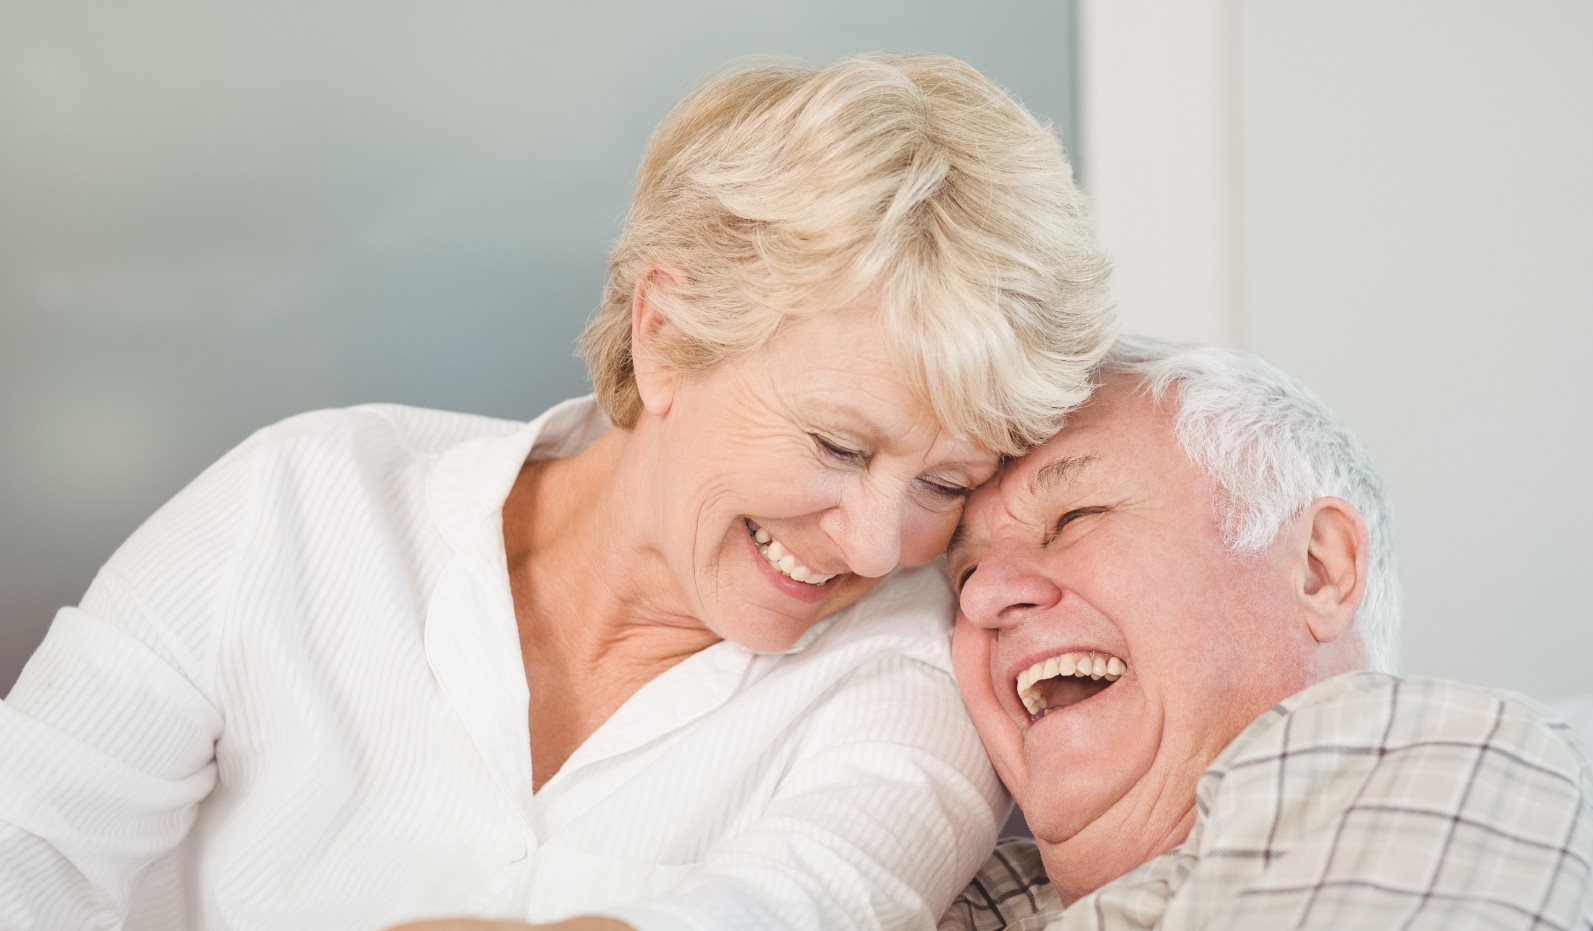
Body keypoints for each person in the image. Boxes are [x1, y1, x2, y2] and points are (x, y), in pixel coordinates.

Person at [0, 54, 1113, 929]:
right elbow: (28, 845)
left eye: (946, 482)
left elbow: (806, 905)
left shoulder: (913, 669)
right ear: (668, 336)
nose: (878, 543)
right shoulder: (299, 505)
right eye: (836, 445)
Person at [939, 337, 1593, 930]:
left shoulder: (1455, 755)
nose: (985, 597)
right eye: (963, 572)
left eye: (1074, 517)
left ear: (1319, 568)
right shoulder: (940, 886)